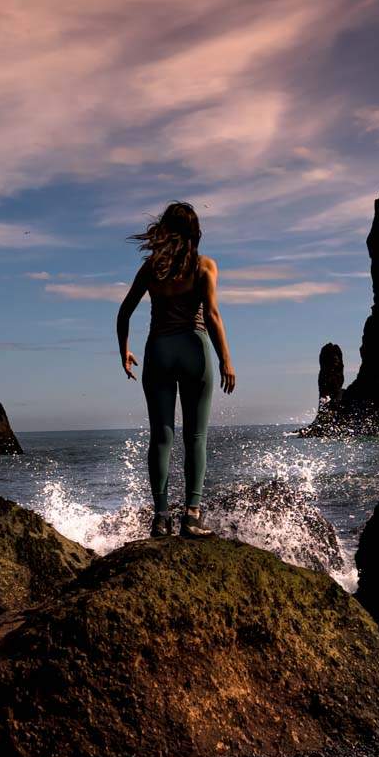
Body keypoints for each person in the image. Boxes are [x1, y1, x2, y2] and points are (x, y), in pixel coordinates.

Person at [116, 202, 235, 539]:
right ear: (195, 232)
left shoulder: (152, 268)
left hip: (159, 351)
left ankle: (160, 517)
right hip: (194, 349)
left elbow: (124, 312)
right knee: (195, 436)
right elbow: (211, 315)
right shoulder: (204, 267)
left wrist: (123, 351)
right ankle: (192, 516)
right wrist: (226, 359)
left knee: (162, 436)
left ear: (164, 231)